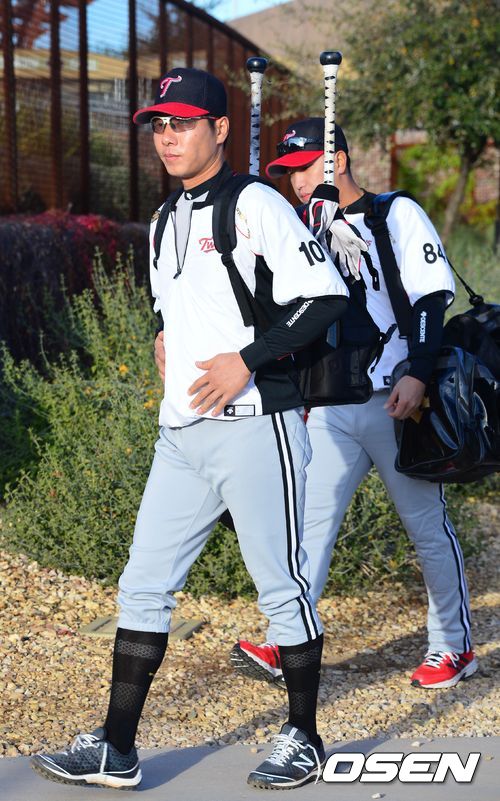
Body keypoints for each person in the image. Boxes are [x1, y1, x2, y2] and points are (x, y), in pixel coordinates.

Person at [30, 74, 352, 790]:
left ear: (220, 129)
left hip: (257, 427)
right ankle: (117, 746)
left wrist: (248, 359)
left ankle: (304, 735)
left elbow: (326, 296)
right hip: (181, 433)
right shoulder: (163, 216)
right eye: (158, 125)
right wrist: (160, 334)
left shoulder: (256, 202)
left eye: (182, 123)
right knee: (143, 586)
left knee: (281, 587)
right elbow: (170, 298)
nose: (167, 137)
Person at [174, 117, 476, 693]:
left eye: (305, 168)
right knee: (308, 525)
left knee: (425, 526)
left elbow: (430, 299)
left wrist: (417, 372)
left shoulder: (395, 213)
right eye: (287, 173)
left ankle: (453, 646)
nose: (296, 182)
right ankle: (287, 640)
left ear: (336, 161)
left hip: (398, 401)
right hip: (334, 405)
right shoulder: (301, 228)